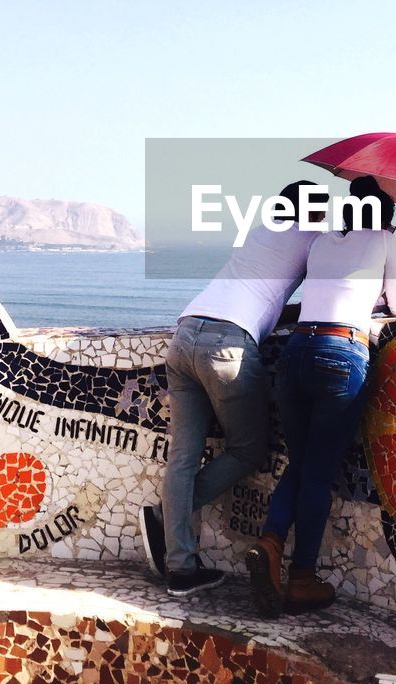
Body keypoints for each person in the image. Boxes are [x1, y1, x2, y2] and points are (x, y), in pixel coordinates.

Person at [139, 181, 326, 598]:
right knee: (247, 448)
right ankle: (164, 518)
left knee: (183, 457)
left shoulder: (260, 231)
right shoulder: (315, 238)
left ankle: (181, 568)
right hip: (229, 345)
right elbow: (326, 296)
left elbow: (265, 290)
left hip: (186, 331)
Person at [246, 175, 396, 617]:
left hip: (297, 349)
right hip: (341, 355)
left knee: (299, 465)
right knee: (318, 473)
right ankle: (301, 578)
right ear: (386, 215)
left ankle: (269, 542)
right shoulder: (383, 239)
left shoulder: (321, 243)